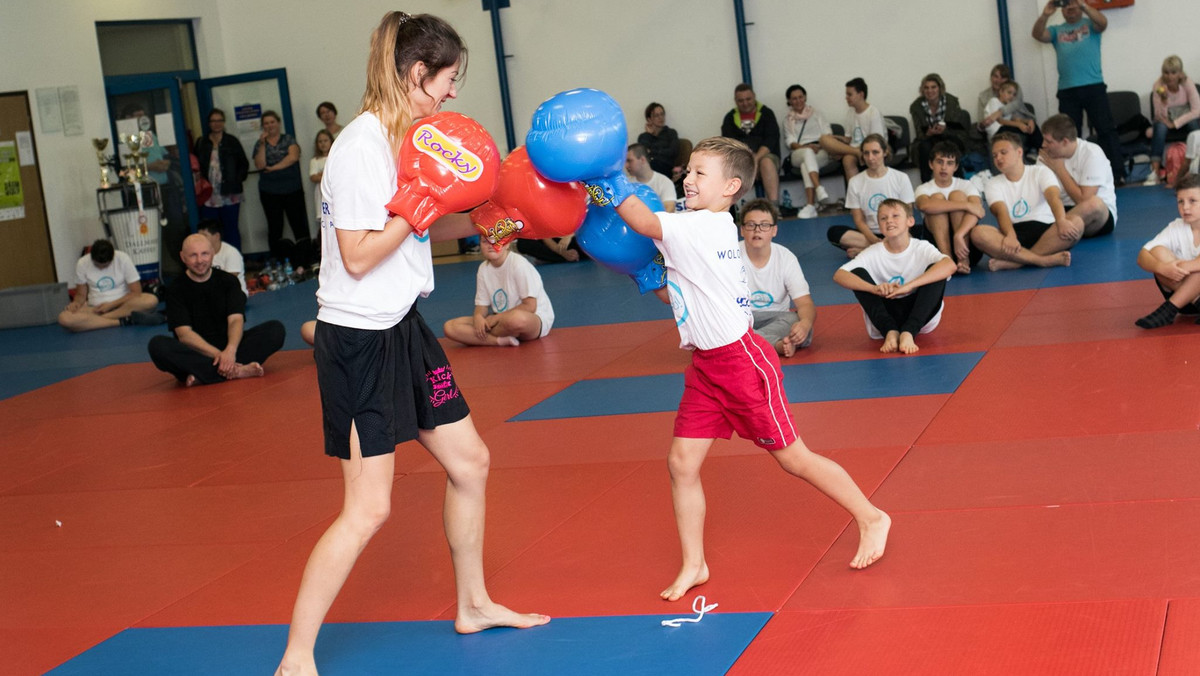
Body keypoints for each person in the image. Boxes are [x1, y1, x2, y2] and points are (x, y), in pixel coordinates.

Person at [274, 13, 549, 676]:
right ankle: (297, 655)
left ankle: (474, 603)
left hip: (404, 330)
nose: (453, 94)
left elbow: (414, 229)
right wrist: (419, 207)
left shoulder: (408, 138)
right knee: (368, 507)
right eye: (449, 80)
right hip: (359, 342)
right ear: (417, 74)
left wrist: (485, 225)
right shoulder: (361, 147)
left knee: (471, 462)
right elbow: (361, 253)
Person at [595, 136, 890, 603]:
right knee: (681, 463)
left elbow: (642, 219)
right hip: (706, 367)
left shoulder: (705, 226)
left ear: (731, 186)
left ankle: (871, 516)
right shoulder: (695, 228)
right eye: (687, 171)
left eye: (700, 174)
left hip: (742, 362)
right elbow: (677, 295)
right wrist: (644, 276)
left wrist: (602, 178)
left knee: (794, 458)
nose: (688, 179)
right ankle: (695, 562)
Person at [147, 234, 283, 386]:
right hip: (195, 351)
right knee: (157, 346)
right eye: (193, 255)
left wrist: (230, 351)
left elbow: (235, 320)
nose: (200, 261)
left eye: (204, 254)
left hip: (229, 347)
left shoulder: (228, 281)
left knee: (275, 330)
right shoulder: (175, 289)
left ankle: (204, 375)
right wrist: (220, 356)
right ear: (183, 257)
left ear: (212, 253)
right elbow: (184, 335)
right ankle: (236, 371)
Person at [833, 199, 956, 354]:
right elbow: (839, 275)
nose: (889, 220)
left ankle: (908, 332)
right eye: (883, 218)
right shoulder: (873, 252)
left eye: (895, 216)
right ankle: (890, 332)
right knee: (856, 274)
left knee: (936, 271)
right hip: (886, 314)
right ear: (879, 226)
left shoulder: (921, 247)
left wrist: (909, 285)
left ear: (910, 221)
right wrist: (874, 288)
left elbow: (950, 265)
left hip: (920, 316)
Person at [1032, 0, 1125, 183]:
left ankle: (1117, 174)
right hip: (1067, 90)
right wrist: (1045, 14)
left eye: (1073, 5)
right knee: (1066, 136)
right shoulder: (1056, 30)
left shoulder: (1090, 24)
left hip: (1094, 86)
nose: (1070, 8)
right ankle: (1071, 177)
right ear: (1063, 11)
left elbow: (1103, 23)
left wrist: (1083, 5)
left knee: (1106, 130)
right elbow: (1037, 34)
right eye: (1066, 6)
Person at [969, 132, 1074, 271]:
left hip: (1047, 231)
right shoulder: (992, 183)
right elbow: (1001, 212)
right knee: (978, 233)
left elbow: (1053, 198)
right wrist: (1010, 235)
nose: (998, 158)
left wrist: (1061, 220)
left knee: (1076, 223)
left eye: (1003, 152)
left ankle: (1018, 262)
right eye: (994, 155)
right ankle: (1041, 260)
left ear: (1019, 152)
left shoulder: (1041, 172)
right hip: (1016, 236)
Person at [738, 199, 816, 356]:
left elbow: (805, 303)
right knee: (719, 325)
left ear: (774, 230)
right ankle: (776, 345)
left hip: (778, 317)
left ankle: (745, 344)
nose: (757, 230)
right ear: (742, 230)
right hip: (740, 317)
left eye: (765, 225)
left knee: (795, 321)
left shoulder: (786, 258)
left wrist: (805, 325)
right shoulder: (730, 256)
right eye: (751, 225)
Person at [442, 240, 554, 347]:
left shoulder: (518, 264)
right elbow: (482, 306)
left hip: (533, 318)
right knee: (450, 327)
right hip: (500, 321)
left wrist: (497, 319)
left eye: (496, 241)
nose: (491, 245)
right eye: (485, 241)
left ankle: (481, 336)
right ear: (480, 245)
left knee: (516, 320)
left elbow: (530, 306)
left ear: (507, 244)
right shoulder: (483, 269)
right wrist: (478, 317)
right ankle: (498, 341)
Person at [826, 134, 915, 257]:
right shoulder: (855, 182)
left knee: (920, 231)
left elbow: (908, 213)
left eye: (875, 152)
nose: (871, 157)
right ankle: (884, 248)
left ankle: (866, 252)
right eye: (866, 153)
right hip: (869, 234)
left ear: (885, 152)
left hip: (896, 231)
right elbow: (858, 220)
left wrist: (897, 234)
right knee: (834, 232)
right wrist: (873, 240)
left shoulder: (900, 178)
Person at [1038, 113, 1118, 242]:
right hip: (1060, 213)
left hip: (1095, 218)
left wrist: (1060, 170)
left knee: (1094, 204)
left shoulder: (1092, 153)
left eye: (1048, 141)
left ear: (1064, 141)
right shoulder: (1046, 155)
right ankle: (1056, 232)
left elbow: (1084, 199)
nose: (1043, 145)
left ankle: (1048, 233)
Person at [1134, 173, 1200, 328]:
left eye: (1192, 201)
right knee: (1157, 252)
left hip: (1178, 298)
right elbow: (1142, 256)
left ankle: (1168, 310)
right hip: (1189, 303)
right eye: (1180, 202)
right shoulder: (1176, 226)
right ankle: (1195, 301)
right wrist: (1162, 267)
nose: (1185, 208)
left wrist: (1182, 267)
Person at [57, 239, 162, 332]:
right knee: (64, 318)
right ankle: (120, 321)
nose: (102, 268)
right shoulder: (82, 263)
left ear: (112, 257)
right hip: (95, 308)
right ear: (92, 258)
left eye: (105, 265)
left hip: (123, 305)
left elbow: (136, 292)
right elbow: (80, 295)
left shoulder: (123, 258)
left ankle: (97, 321)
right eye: (97, 265)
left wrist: (111, 305)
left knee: (151, 300)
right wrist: (75, 303)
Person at [915, 142, 985, 274]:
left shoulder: (966, 185)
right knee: (936, 200)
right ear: (931, 164)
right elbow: (924, 205)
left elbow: (978, 211)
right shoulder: (923, 188)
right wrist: (966, 205)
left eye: (949, 163)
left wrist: (959, 235)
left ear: (956, 166)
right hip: (937, 250)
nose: (943, 167)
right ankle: (946, 260)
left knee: (957, 195)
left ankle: (963, 259)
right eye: (939, 162)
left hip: (967, 246)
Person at [254, 110, 311, 265]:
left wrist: (273, 168)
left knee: (298, 225)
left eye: (272, 122)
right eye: (266, 123)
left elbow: (292, 157)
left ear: (278, 123)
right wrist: (262, 144)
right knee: (275, 228)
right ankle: (277, 261)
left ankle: (305, 260)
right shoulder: (260, 143)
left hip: (292, 189)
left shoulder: (288, 139)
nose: (269, 125)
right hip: (269, 192)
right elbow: (260, 164)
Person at [721, 83, 784, 210]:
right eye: (741, 100)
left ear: (754, 97)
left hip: (766, 158)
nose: (745, 103)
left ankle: (774, 207)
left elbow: (771, 140)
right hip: (742, 161)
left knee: (766, 162)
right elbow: (730, 145)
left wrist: (754, 160)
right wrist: (747, 162)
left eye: (748, 99)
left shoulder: (767, 113)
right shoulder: (729, 118)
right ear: (735, 101)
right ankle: (732, 211)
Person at [194, 108, 250, 250]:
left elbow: (244, 164)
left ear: (224, 122)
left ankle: (235, 261)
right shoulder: (202, 142)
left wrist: (236, 180)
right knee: (209, 232)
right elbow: (195, 165)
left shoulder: (232, 141)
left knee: (231, 229)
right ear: (208, 123)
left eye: (219, 120)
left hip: (229, 193)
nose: (216, 124)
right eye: (213, 121)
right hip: (208, 195)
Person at [1145, 56, 1200, 186]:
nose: (1170, 77)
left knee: (1194, 126)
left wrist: (1175, 123)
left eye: (1173, 73)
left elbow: (1197, 110)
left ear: (1180, 73)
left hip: (1184, 116)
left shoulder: (1187, 83)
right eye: (1166, 73)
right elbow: (1158, 114)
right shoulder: (1158, 86)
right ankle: (1155, 172)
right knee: (1160, 128)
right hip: (1165, 118)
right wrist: (1164, 100)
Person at [781, 84, 834, 217]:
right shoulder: (788, 120)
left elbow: (828, 133)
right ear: (789, 101)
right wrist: (806, 148)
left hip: (819, 150)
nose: (798, 101)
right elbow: (790, 142)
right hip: (799, 152)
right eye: (794, 99)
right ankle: (818, 187)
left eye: (800, 97)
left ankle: (810, 206)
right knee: (807, 154)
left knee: (806, 165)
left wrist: (818, 146)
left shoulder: (817, 114)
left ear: (805, 98)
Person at [819, 77, 886, 180]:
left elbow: (876, 142)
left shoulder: (873, 113)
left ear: (861, 95)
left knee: (847, 160)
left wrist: (846, 150)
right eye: (846, 94)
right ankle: (856, 153)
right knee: (824, 139)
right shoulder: (850, 112)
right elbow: (849, 139)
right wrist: (836, 138)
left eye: (849, 94)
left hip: (869, 149)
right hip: (855, 149)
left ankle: (850, 153)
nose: (846, 97)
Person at [909, 73, 971, 183]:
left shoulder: (951, 102)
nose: (930, 91)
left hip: (950, 136)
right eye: (926, 88)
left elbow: (958, 127)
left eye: (933, 87)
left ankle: (959, 181)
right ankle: (926, 184)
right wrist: (928, 133)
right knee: (924, 147)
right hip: (928, 138)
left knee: (952, 146)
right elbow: (919, 132)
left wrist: (945, 130)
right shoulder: (916, 107)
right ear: (922, 90)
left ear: (940, 88)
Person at [981, 79, 1043, 156]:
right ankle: (1036, 151)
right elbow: (1000, 120)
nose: (1011, 96)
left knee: (1032, 126)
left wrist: (1028, 121)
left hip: (1005, 129)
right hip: (997, 133)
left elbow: (1015, 119)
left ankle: (1039, 151)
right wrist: (1019, 125)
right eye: (1009, 92)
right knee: (1015, 128)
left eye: (1014, 94)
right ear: (1001, 92)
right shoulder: (994, 101)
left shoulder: (1007, 106)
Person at [638, 102, 687, 189]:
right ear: (649, 119)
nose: (661, 118)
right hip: (650, 169)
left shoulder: (671, 133)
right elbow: (643, 154)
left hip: (667, 168)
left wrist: (652, 151)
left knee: (654, 163)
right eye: (656, 115)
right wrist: (649, 135)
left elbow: (673, 151)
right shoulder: (644, 137)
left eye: (662, 114)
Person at [197, 218, 247, 296]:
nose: (200, 240)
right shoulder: (200, 253)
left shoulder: (231, 253)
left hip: (233, 294)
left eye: (204, 236)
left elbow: (231, 281)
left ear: (217, 236)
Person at [625, 143, 676, 211]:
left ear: (642, 160)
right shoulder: (626, 184)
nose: (626, 166)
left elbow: (669, 210)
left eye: (629, 161)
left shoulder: (664, 182)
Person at [309, 129, 333, 231]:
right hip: (321, 194)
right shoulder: (315, 160)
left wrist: (322, 174)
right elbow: (313, 177)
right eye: (320, 141)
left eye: (325, 140)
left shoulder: (334, 157)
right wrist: (326, 175)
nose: (323, 144)